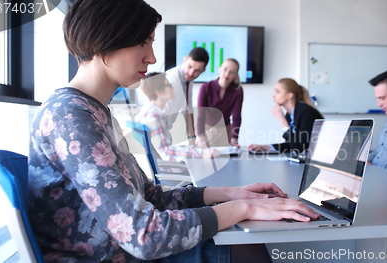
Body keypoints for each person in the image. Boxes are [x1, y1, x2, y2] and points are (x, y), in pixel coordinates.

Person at [27, 0, 319, 262]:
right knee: (245, 247)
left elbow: (151, 197)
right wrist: (244, 209)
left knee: (245, 239)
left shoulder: (94, 110)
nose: (152, 58)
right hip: (110, 255)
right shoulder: (71, 116)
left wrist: (232, 193)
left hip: (119, 247)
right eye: (143, 42)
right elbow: (145, 235)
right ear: (103, 41)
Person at [136, 72, 219, 162]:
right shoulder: (153, 116)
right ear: (159, 92)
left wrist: (190, 148)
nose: (173, 87)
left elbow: (164, 148)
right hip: (167, 171)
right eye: (169, 85)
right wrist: (200, 152)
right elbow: (165, 153)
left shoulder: (153, 113)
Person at [248, 78, 323, 154]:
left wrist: (283, 122)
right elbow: (292, 144)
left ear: (289, 95)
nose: (273, 96)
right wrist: (266, 147)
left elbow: (299, 148)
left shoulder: (307, 113)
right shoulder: (291, 114)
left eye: (277, 91)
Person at [164, 47, 209, 145]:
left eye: (197, 70)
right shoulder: (171, 80)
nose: (191, 72)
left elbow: (188, 109)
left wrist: (192, 138)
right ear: (184, 60)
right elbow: (160, 114)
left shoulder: (188, 79)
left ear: (203, 70)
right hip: (156, 129)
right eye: (189, 66)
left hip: (163, 130)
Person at [196, 58, 243, 147]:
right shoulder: (206, 87)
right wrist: (200, 138)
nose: (227, 74)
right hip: (205, 129)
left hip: (225, 131)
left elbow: (236, 117)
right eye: (225, 69)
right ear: (220, 69)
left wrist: (234, 140)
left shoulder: (238, 90)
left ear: (236, 75)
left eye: (232, 72)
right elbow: (200, 116)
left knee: (226, 159)